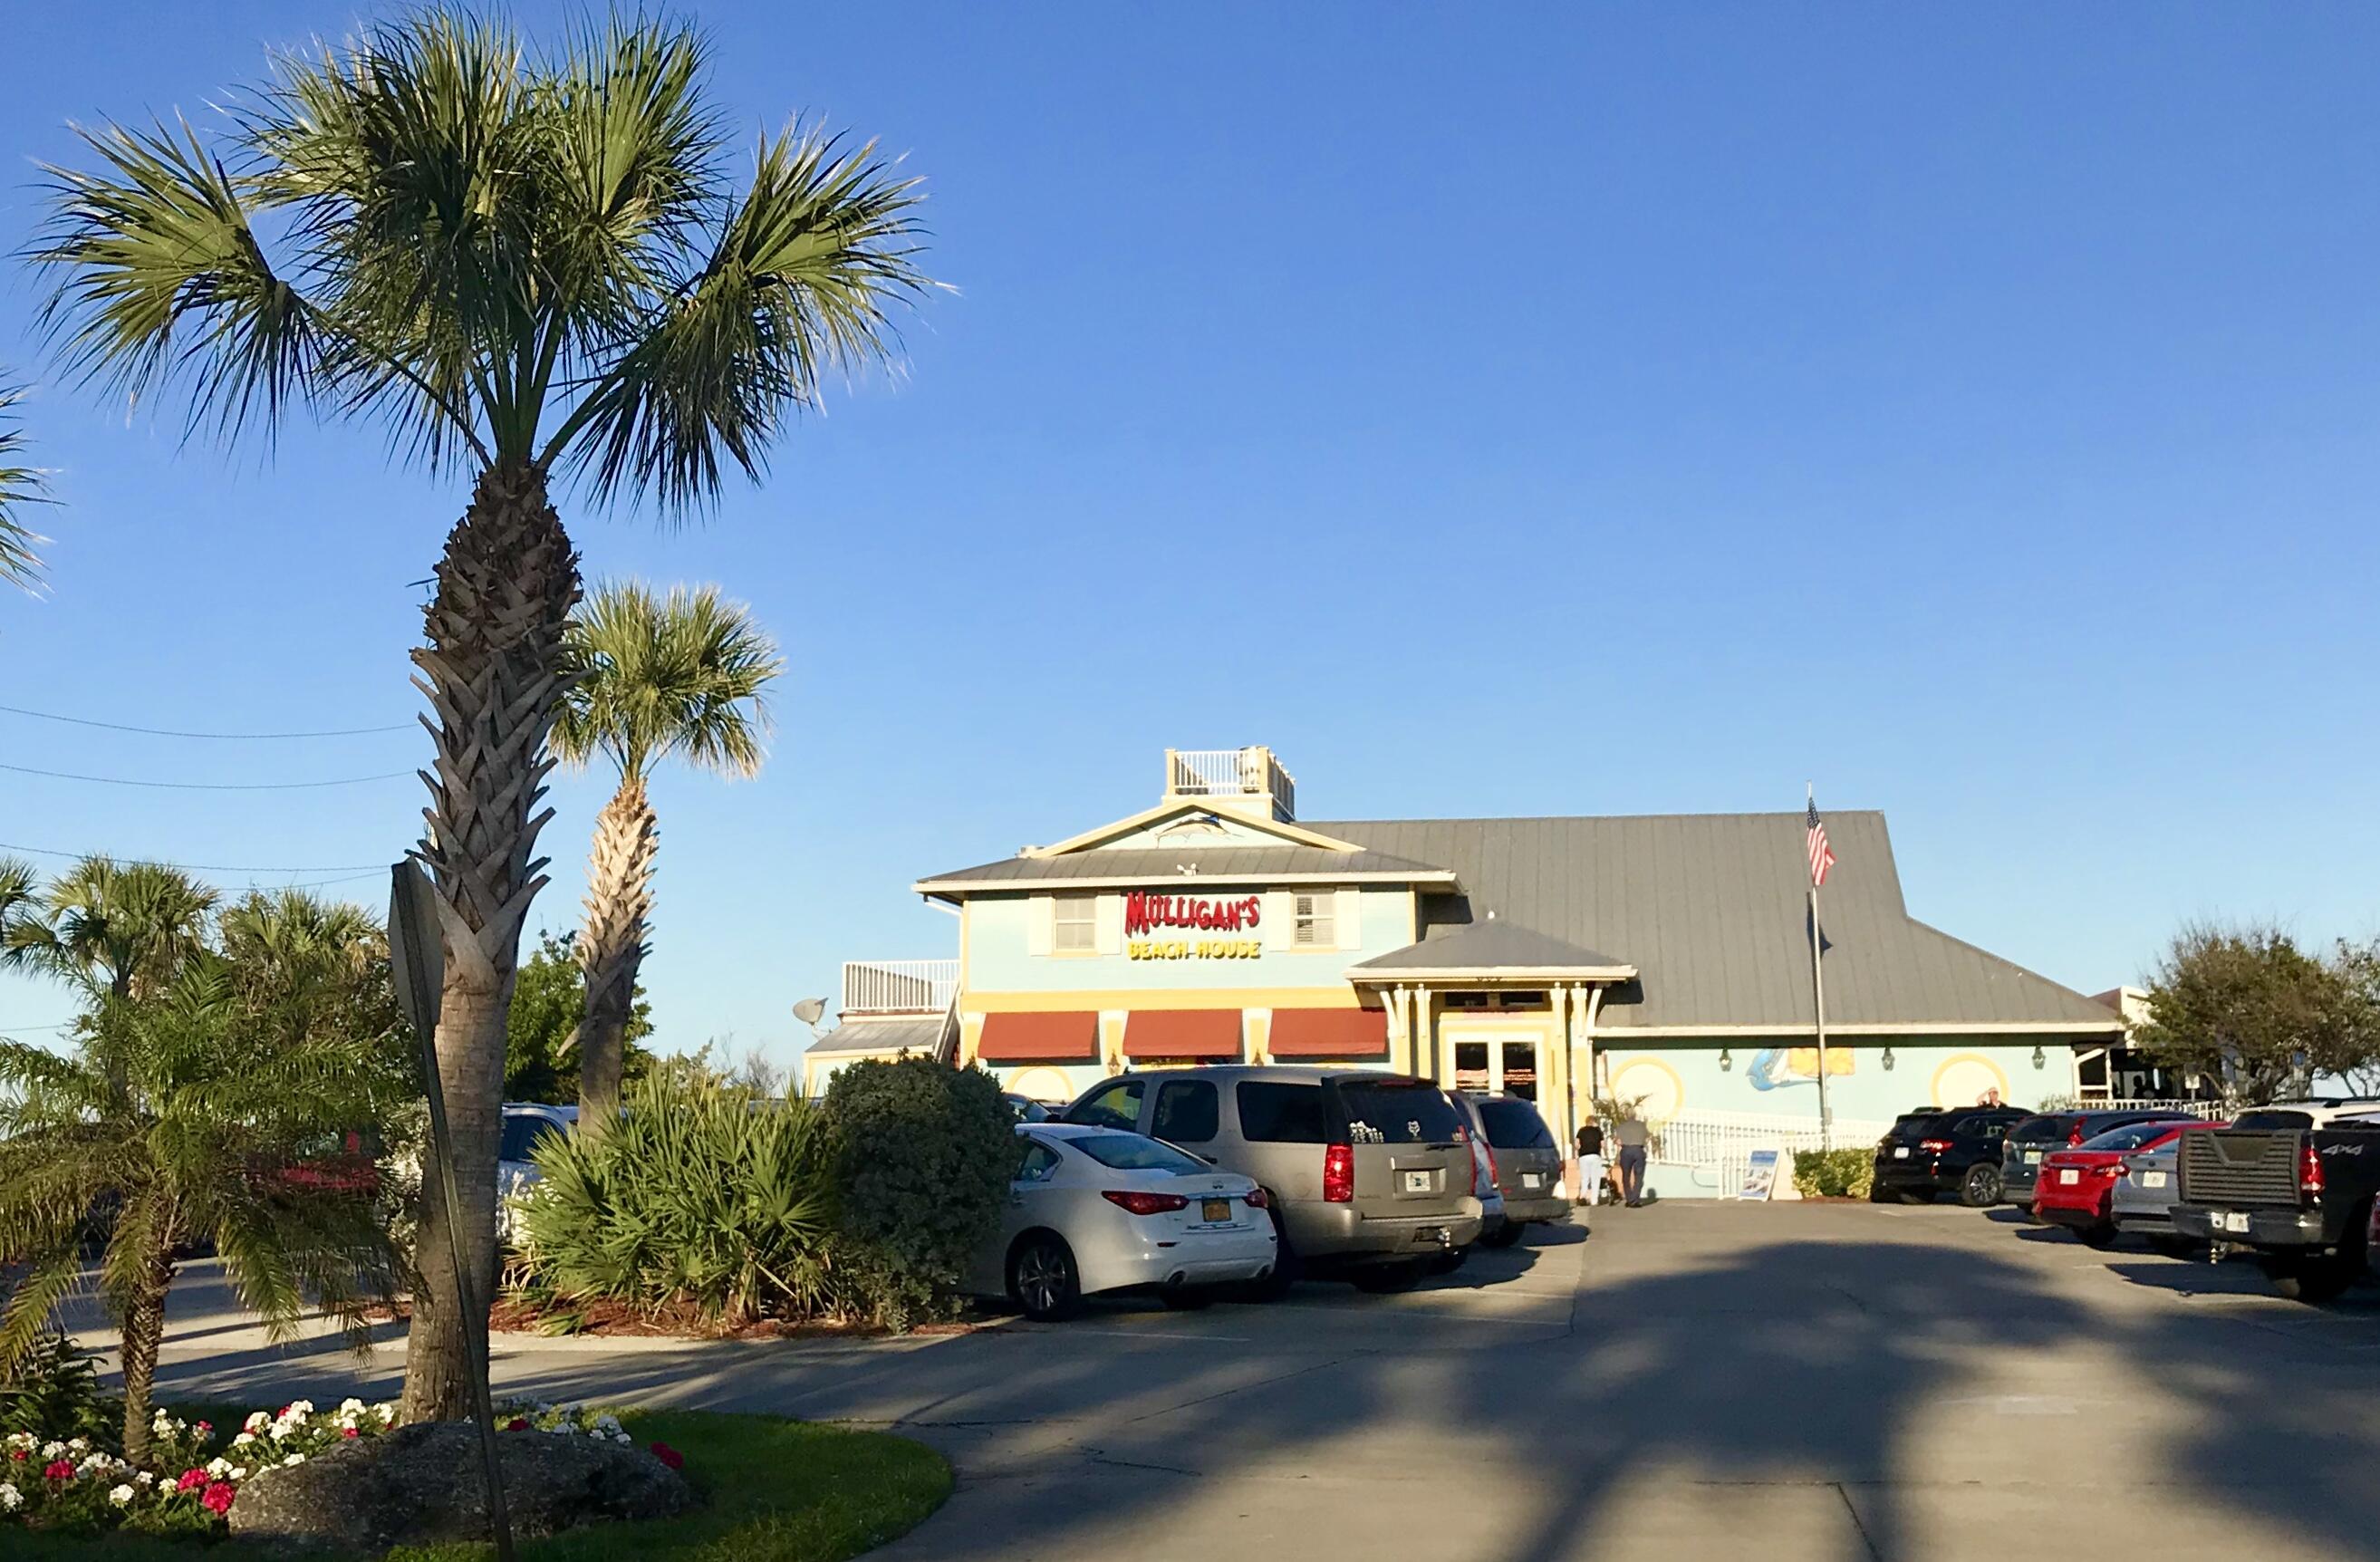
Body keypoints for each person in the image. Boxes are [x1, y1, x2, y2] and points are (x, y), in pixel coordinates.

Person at [1614, 1109, 1651, 1207]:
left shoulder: (1621, 1126)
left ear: (1626, 1116)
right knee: (1639, 1176)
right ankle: (1635, 1199)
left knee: (1626, 1176)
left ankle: (1630, 1198)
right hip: (1638, 1150)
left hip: (1626, 1150)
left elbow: (1618, 1141)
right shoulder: (1642, 1125)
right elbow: (1647, 1138)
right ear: (1635, 1115)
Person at [1575, 1121, 1605, 1208]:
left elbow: (1576, 1144)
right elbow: (1603, 1144)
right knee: (1595, 1179)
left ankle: (1583, 1197)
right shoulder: (1598, 1131)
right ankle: (1594, 1201)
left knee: (1585, 1178)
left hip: (1583, 1156)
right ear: (1593, 1122)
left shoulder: (1581, 1130)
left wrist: (1579, 1150)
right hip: (1595, 1156)